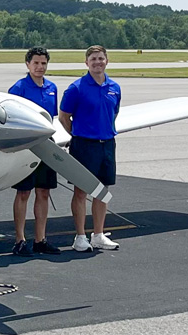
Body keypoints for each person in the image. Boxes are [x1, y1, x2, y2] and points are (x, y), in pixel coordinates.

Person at [59, 45, 121, 252]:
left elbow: (114, 112)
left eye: (101, 58)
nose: (98, 62)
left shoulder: (115, 87)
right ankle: (79, 236)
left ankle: (98, 235)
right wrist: (77, 135)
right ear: (87, 63)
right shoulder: (76, 88)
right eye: (93, 59)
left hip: (108, 144)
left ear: (107, 61)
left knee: (102, 191)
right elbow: (64, 116)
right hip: (84, 145)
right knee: (80, 191)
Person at [8, 46, 62, 255]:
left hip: (46, 146)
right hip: (26, 148)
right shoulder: (19, 88)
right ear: (28, 64)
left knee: (44, 192)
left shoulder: (52, 88)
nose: (40, 67)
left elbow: (53, 118)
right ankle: (20, 240)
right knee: (24, 192)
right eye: (36, 63)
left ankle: (40, 239)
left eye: (43, 63)